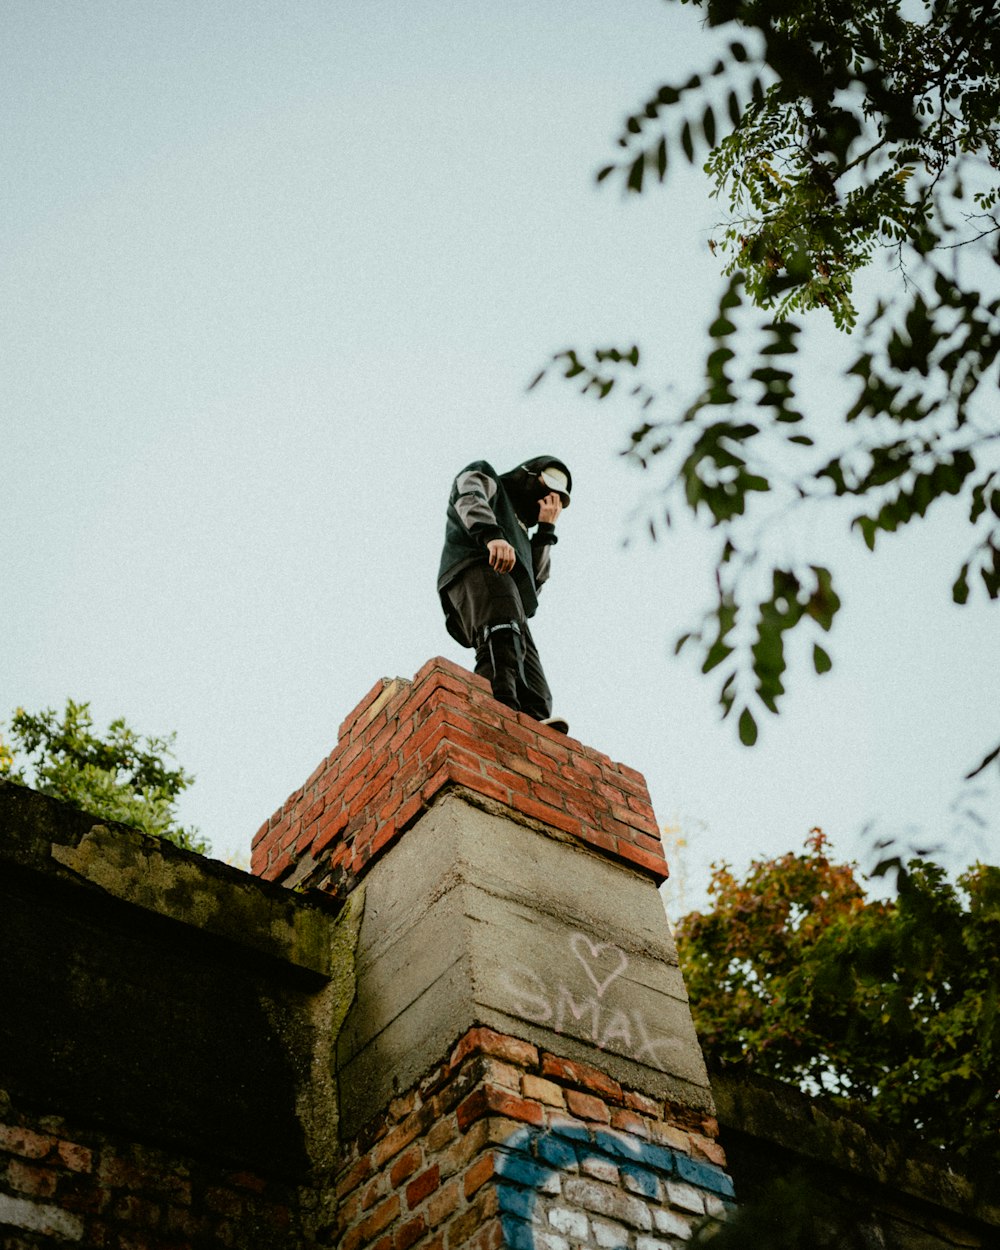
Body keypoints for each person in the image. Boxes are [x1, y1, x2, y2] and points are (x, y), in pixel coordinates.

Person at [437, 455, 572, 731]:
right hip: (476, 565)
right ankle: (494, 713)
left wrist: (546, 530)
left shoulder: (523, 530)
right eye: (550, 486)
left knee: (537, 689)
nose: (551, 499)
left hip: (511, 596)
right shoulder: (488, 476)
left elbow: (533, 585)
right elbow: (468, 493)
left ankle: (534, 732)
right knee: (501, 639)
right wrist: (492, 535)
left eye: (558, 498)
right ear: (532, 474)